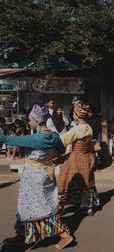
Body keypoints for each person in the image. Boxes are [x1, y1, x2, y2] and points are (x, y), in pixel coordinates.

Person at [1, 104, 73, 249]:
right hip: (46, 174)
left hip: (33, 177)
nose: (28, 122)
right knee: (42, 205)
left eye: (29, 119)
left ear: (35, 120)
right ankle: (23, 235)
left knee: (37, 207)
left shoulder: (34, 139)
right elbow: (61, 150)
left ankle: (64, 234)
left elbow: (7, 140)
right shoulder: (53, 136)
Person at [57, 101, 99, 216]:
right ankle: (88, 207)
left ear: (76, 115)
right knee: (87, 181)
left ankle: (61, 206)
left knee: (65, 179)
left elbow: (63, 140)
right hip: (87, 157)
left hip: (75, 158)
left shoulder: (76, 129)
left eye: (74, 114)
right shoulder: (89, 128)